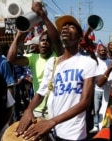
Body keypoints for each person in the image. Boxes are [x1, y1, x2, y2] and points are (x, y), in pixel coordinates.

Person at [14, 4, 98, 141]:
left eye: (71, 26)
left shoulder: (88, 63)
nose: (65, 27)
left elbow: (85, 103)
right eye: (63, 26)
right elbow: (41, 93)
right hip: (52, 130)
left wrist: (52, 121)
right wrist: (29, 110)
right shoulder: (52, 63)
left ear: (79, 37)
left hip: (74, 133)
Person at [7, 2, 63, 119]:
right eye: (42, 40)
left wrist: (42, 15)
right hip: (37, 108)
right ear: (38, 44)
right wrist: (19, 35)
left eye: (48, 41)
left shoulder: (57, 56)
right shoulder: (33, 58)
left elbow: (57, 40)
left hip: (55, 109)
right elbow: (11, 59)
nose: (44, 43)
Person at [90, 44, 112, 133]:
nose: (103, 52)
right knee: (96, 109)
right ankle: (96, 125)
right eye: (101, 50)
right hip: (97, 89)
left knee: (106, 108)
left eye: (104, 50)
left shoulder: (110, 61)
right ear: (98, 52)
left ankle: (105, 125)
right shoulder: (95, 61)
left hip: (107, 89)